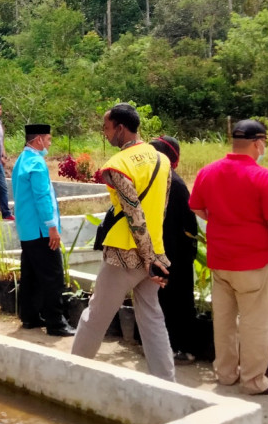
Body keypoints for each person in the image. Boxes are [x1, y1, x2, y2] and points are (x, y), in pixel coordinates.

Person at [188, 119, 268, 396]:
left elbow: (197, 207)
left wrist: (220, 221)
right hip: (254, 264)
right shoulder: (263, 177)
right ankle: (254, 381)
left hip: (220, 262)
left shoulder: (208, 172)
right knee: (256, 322)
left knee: (223, 321)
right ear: (258, 143)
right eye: (264, 144)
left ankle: (225, 374)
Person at [72, 105, 174, 381]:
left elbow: (134, 213)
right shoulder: (162, 160)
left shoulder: (118, 165)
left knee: (95, 317)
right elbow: (160, 211)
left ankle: (71, 376)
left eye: (106, 128)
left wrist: (146, 256)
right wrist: (155, 258)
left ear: (119, 127)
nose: (105, 134)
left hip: (124, 255)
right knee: (152, 320)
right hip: (154, 253)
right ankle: (169, 385)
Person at [11, 123, 75, 336]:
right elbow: (42, 198)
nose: (49, 143)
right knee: (52, 276)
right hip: (40, 230)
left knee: (31, 275)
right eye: (48, 139)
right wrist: (52, 227)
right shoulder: (37, 164)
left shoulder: (21, 160)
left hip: (27, 230)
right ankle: (56, 322)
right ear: (38, 140)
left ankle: (29, 317)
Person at [149, 135, 200, 364]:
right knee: (165, 301)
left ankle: (183, 347)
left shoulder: (175, 185)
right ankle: (166, 346)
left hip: (173, 255)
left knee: (176, 301)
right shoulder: (162, 182)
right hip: (163, 254)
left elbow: (189, 227)